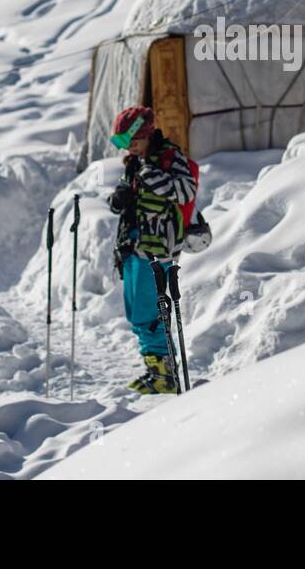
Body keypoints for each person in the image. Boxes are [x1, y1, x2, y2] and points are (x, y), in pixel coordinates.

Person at [106, 106, 196, 394]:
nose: (129, 149)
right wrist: (118, 198)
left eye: (132, 142)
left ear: (145, 135)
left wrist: (153, 177)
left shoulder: (169, 157)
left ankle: (165, 374)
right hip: (133, 244)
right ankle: (154, 368)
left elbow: (186, 191)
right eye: (123, 144)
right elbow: (122, 197)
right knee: (136, 311)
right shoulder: (135, 163)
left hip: (158, 247)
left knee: (149, 309)